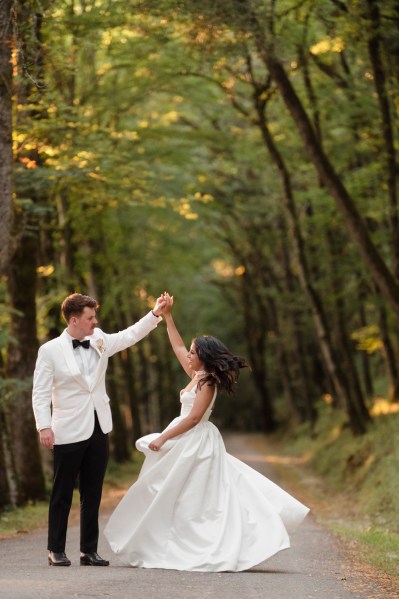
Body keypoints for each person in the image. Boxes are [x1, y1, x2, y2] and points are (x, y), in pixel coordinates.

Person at [104, 293, 309, 572]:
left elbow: (194, 418)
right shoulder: (196, 377)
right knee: (169, 490)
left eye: (192, 352)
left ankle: (211, 542)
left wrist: (164, 437)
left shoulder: (207, 383)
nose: (187, 355)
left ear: (203, 357)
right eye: (189, 352)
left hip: (195, 440)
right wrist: (167, 316)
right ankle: (167, 538)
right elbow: (176, 344)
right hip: (184, 439)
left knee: (197, 495)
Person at [32, 292, 167, 567]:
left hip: (98, 426)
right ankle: (55, 549)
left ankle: (88, 551)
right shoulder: (49, 351)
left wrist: (155, 314)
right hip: (67, 429)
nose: (95, 321)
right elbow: (40, 392)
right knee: (62, 492)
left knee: (92, 492)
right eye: (90, 317)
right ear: (74, 320)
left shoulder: (100, 339)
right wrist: (44, 426)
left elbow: (129, 335)